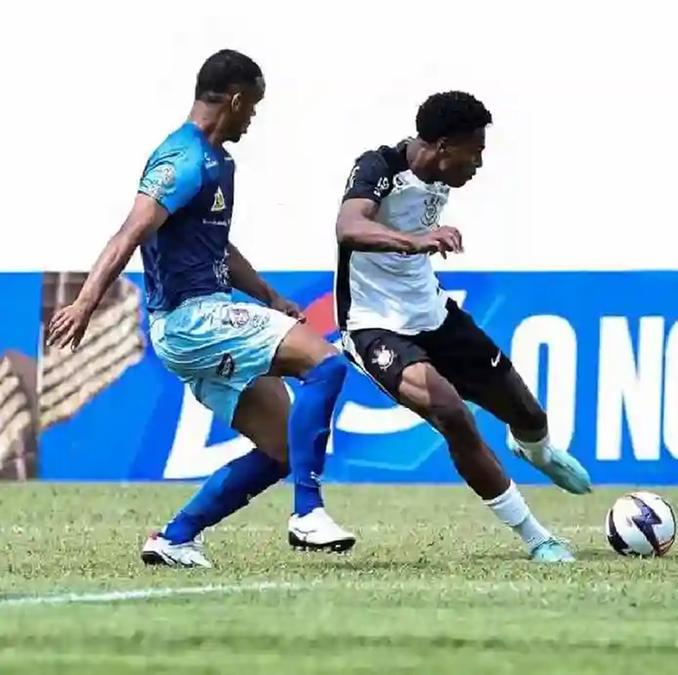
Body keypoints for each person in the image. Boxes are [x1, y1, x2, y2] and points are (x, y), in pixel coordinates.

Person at [47, 49, 355, 568]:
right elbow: (130, 232)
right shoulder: (183, 158)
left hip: (200, 321)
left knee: (282, 447)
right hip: (193, 319)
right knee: (325, 364)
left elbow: (218, 247)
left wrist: (269, 297)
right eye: (252, 108)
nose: (253, 119)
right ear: (234, 100)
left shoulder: (219, 163)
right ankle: (308, 512)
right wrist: (84, 302)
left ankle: (176, 536)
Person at [334, 91, 591, 562]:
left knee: (528, 416)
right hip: (375, 326)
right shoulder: (379, 167)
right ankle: (538, 538)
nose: (478, 164)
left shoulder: (438, 173)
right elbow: (349, 227)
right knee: (453, 414)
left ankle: (538, 452)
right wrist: (414, 242)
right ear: (445, 145)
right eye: (475, 152)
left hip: (434, 314)